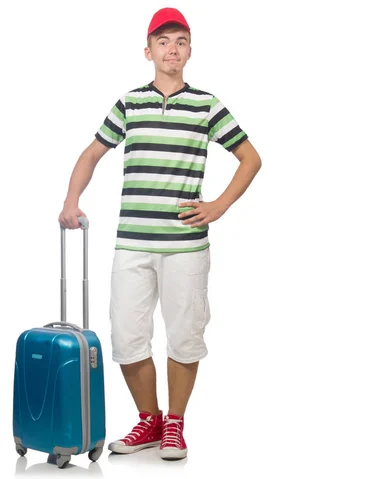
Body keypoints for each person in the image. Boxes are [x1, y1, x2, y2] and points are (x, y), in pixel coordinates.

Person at [58, 7, 261, 460]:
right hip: (132, 243)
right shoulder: (129, 102)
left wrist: (220, 205)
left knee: (185, 335)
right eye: (164, 41)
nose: (173, 49)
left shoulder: (207, 104)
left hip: (186, 246)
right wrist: (71, 200)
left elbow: (251, 158)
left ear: (190, 51)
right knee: (127, 338)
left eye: (181, 41)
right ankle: (148, 420)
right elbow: (92, 154)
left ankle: (175, 424)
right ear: (147, 50)